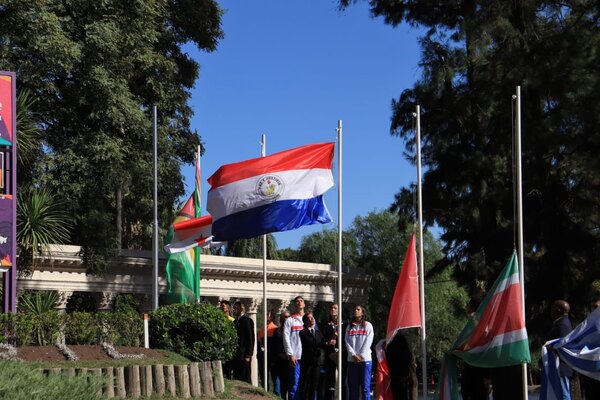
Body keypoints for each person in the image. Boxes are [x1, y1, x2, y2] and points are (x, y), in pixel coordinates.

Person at [460, 298, 490, 400]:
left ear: (472, 308)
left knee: (470, 391)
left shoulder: (473, 320)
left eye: (468, 305)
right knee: (480, 392)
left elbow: (466, 341)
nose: (466, 308)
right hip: (482, 363)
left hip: (473, 363)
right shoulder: (485, 321)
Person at [345, 305, 374, 400]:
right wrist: (353, 355)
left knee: (365, 388)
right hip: (352, 360)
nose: (356, 311)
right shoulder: (350, 326)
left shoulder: (368, 325)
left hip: (365, 360)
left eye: (358, 309)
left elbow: (368, 342)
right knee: (353, 388)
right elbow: (347, 341)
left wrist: (360, 355)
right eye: (355, 309)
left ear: (362, 312)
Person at [548, 299, 574, 400]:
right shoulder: (563, 323)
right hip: (560, 365)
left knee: (563, 393)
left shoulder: (562, 325)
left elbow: (563, 345)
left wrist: (550, 347)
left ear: (558, 310)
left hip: (561, 366)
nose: (551, 310)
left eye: (553, 307)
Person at [299, 311, 325, 400]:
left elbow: (323, 344)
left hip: (317, 363)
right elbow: (310, 343)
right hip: (307, 362)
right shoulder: (303, 332)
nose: (312, 319)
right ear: (305, 321)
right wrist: (323, 343)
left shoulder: (319, 332)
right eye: (309, 318)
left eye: (312, 317)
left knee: (314, 385)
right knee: (306, 385)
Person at [284, 295, 306, 400]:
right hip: (296, 358)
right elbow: (286, 338)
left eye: (301, 301)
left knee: (307, 384)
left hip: (307, 358)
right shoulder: (290, 320)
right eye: (297, 301)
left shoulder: (310, 319)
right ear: (294, 304)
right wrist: (290, 354)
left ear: (304, 304)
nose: (299, 303)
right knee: (294, 385)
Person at [385, 332, 416, 400]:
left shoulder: (391, 338)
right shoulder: (402, 336)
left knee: (401, 391)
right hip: (400, 371)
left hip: (399, 371)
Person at [581, 296, 600, 400]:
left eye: (597, 306)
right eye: (592, 307)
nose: (594, 309)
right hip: (590, 373)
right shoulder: (585, 326)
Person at [232, 300, 255, 383]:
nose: (234, 310)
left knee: (245, 375)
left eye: (236, 308)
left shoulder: (247, 321)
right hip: (236, 354)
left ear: (241, 309)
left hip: (244, 354)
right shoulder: (234, 322)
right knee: (237, 375)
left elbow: (250, 338)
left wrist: (249, 354)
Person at [258, 310, 279, 393]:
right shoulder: (261, 330)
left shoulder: (275, 329)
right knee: (264, 377)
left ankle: (277, 394)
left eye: (268, 315)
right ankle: (265, 393)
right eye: (265, 314)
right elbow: (259, 344)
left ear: (272, 317)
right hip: (263, 357)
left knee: (275, 378)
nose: (266, 316)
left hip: (273, 358)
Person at [322, 304, 340, 400]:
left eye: (335, 308)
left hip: (341, 355)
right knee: (330, 380)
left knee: (341, 379)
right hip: (330, 355)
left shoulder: (344, 325)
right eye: (331, 308)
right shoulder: (326, 326)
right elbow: (322, 341)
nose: (333, 309)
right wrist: (329, 342)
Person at [273, 311, 291, 399]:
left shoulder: (293, 330)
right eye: (285, 316)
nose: (287, 318)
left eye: (288, 316)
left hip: (291, 359)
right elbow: (275, 345)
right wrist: (280, 354)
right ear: (281, 318)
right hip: (281, 359)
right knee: (283, 382)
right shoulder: (277, 331)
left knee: (291, 382)